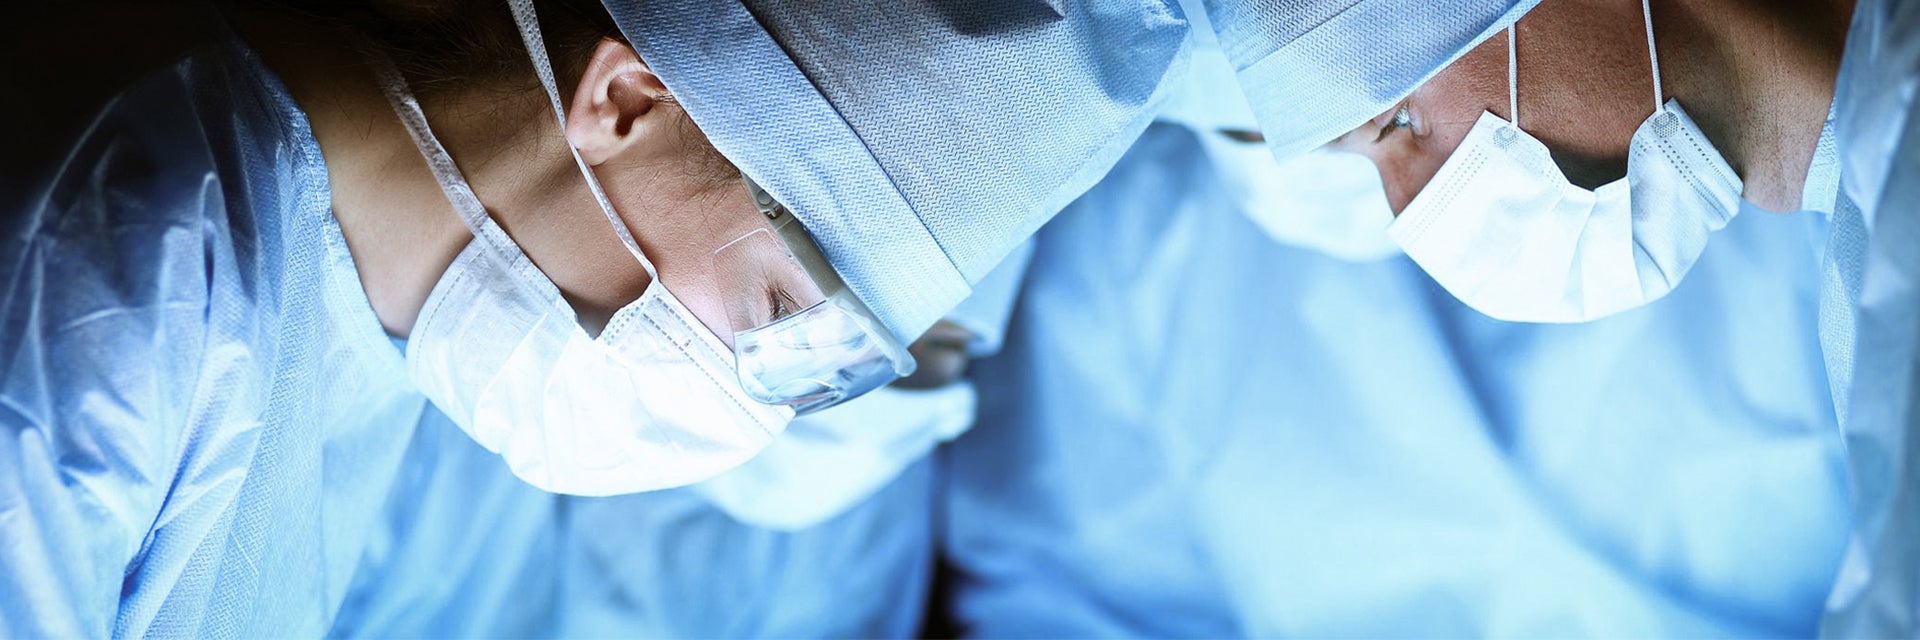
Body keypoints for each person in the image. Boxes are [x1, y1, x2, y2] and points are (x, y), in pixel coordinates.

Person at [0, 0, 1182, 634]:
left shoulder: (360, 323)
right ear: (628, 98)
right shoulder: (129, 238)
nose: (753, 414)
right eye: (782, 306)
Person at [940, 18, 1854, 634]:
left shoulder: (1820, 202)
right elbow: (1061, 590)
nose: (1399, 205)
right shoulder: (1144, 251)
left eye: (1391, 116)